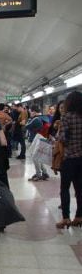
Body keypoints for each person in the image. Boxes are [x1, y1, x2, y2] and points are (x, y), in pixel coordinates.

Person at [56, 91, 82, 228]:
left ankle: (66, 218)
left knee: (64, 188)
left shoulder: (66, 117)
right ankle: (79, 216)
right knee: (80, 189)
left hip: (69, 159)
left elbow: (63, 139)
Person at [26, 106, 50, 181]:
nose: (29, 113)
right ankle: (45, 173)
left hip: (34, 140)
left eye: (30, 112)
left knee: (35, 158)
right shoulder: (44, 118)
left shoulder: (36, 119)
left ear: (34, 112)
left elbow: (26, 126)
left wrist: (28, 121)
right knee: (38, 157)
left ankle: (38, 174)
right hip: (42, 140)